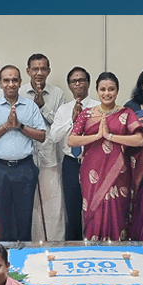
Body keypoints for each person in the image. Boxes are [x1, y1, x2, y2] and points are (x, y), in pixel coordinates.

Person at [68, 72, 143, 241]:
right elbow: (71, 140)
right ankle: (93, 249)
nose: (107, 93)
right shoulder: (87, 114)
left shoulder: (126, 113)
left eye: (111, 89)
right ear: (97, 91)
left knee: (117, 212)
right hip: (92, 171)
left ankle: (118, 253)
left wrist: (110, 137)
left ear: (117, 91)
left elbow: (139, 140)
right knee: (93, 213)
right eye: (103, 89)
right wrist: (97, 136)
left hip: (118, 172)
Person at [0, 65, 47, 242]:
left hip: (25, 167)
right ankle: (2, 257)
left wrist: (20, 126)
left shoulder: (30, 105)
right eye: (7, 80)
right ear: (0, 83)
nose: (11, 84)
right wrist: (6, 126)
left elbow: (41, 136)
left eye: (14, 80)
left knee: (24, 218)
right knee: (1, 218)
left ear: (20, 82)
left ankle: (25, 257)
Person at [51, 67, 99, 240]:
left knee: (94, 206)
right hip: (70, 163)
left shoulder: (98, 107)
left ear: (88, 83)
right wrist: (72, 121)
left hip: (93, 162)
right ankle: (73, 245)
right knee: (72, 208)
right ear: (69, 86)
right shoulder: (63, 110)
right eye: (74, 81)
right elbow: (54, 137)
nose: (78, 84)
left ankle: (94, 243)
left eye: (81, 80)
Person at [24, 53, 66, 242]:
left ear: (48, 70)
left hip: (50, 155)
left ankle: (55, 244)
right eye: (35, 69)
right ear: (28, 71)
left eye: (43, 69)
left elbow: (60, 124)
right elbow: (20, 122)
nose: (39, 73)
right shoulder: (20, 92)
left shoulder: (58, 94)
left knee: (53, 204)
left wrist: (42, 107)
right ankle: (35, 244)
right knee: (30, 205)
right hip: (26, 156)